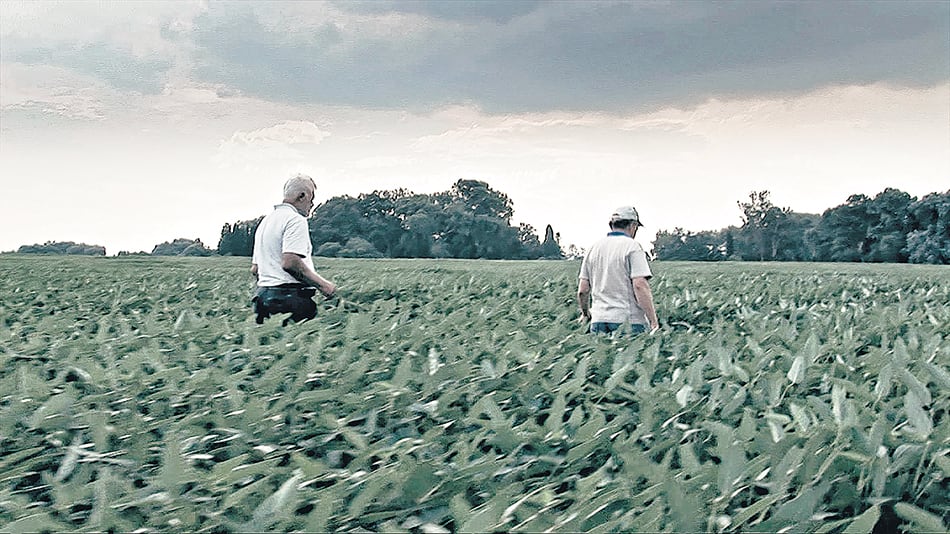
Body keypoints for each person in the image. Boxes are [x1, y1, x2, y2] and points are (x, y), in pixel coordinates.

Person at [251, 174, 336, 325]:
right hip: (290, 300)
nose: (312, 204)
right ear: (301, 196)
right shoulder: (295, 220)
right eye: (311, 198)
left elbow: (255, 269)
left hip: (262, 299)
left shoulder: (266, 222)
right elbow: (290, 262)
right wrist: (324, 286)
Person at [577, 206, 659, 336]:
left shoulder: (593, 248)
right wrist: (653, 322)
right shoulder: (632, 247)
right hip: (628, 321)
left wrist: (585, 314)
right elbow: (639, 285)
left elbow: (583, 290)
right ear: (632, 225)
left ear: (612, 225)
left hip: (598, 321)